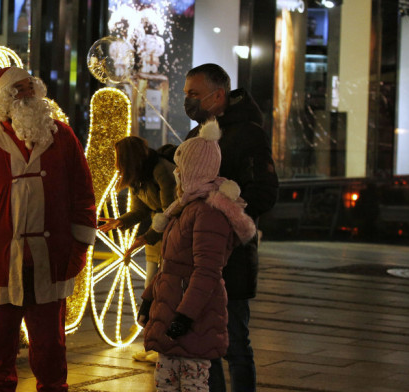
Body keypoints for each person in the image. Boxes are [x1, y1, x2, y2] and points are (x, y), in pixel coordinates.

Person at [0, 67, 97, 391]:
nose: (28, 93)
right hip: (1, 260)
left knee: (51, 350)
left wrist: (78, 248)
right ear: (3, 98)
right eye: (19, 88)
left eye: (32, 85)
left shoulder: (64, 137)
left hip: (51, 259)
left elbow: (84, 197)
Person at [138, 119, 257, 392]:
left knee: (192, 385)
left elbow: (207, 271)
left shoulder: (208, 212)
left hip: (192, 318)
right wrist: (149, 300)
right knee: (167, 384)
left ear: (193, 170)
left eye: (181, 167)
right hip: (170, 309)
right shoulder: (184, 208)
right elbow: (170, 266)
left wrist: (185, 316)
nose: (177, 173)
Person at [182, 63, 279, 392]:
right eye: (186, 95)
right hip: (197, 255)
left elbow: (264, 191)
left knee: (235, 343)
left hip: (232, 256)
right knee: (205, 343)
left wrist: (226, 216)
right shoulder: (196, 135)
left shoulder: (248, 133)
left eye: (194, 94)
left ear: (218, 94)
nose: (189, 101)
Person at [97, 135, 176, 363]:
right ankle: (154, 345)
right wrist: (120, 222)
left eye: (118, 158)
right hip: (156, 237)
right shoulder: (137, 176)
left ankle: (164, 347)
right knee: (151, 291)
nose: (115, 163)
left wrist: (146, 237)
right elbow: (141, 209)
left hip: (172, 237)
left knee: (164, 294)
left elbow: (170, 211)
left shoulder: (160, 170)